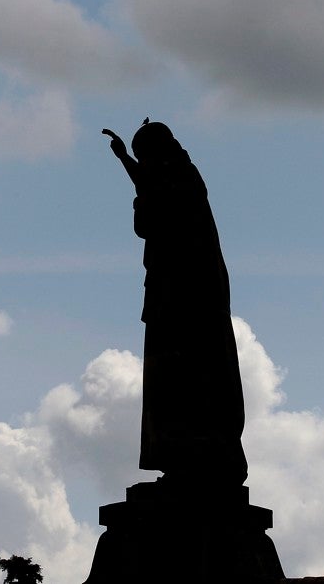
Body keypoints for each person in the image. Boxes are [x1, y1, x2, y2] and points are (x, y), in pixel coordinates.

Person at [103, 120, 248, 487]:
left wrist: (132, 174)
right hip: (179, 300)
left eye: (141, 156)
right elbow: (152, 189)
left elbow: (148, 218)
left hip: (180, 303)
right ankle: (184, 459)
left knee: (180, 380)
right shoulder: (182, 176)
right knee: (178, 380)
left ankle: (190, 457)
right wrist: (124, 161)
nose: (141, 164)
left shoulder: (177, 183)